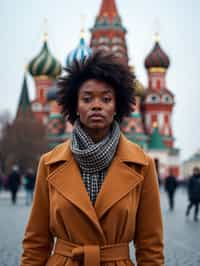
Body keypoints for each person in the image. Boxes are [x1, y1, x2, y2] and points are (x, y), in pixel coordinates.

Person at [20, 51, 164, 266]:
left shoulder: (142, 165)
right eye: (87, 99)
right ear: (75, 106)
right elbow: (36, 241)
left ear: (117, 106)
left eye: (106, 99)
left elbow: (150, 244)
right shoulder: (49, 163)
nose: (96, 105)